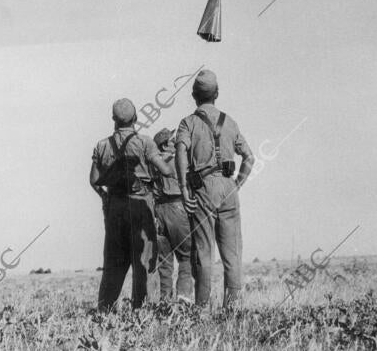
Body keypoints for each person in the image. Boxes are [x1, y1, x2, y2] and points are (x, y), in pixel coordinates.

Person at [175, 69, 254, 309]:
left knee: (203, 252)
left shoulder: (188, 123)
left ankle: (202, 308)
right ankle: (233, 308)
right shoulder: (230, 122)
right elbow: (249, 158)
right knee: (232, 255)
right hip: (228, 187)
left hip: (203, 190)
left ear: (193, 95)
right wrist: (236, 185)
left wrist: (184, 190)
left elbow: (180, 153)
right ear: (217, 94)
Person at [90, 98, 174, 311]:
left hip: (115, 208)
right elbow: (166, 171)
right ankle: (142, 311)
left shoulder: (101, 145)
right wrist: (164, 158)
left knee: (113, 264)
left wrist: (104, 196)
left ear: (113, 120)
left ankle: (105, 311)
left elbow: (93, 180)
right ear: (135, 118)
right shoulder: (145, 142)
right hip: (140, 205)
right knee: (145, 262)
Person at [152, 128, 193, 302]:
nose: (175, 140)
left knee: (165, 262)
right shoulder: (179, 160)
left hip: (158, 211)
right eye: (172, 139)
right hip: (177, 208)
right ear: (165, 144)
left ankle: (165, 302)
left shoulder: (152, 163)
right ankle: (183, 299)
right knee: (186, 257)